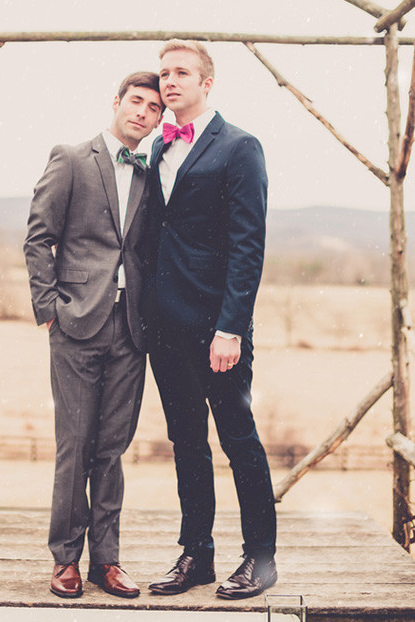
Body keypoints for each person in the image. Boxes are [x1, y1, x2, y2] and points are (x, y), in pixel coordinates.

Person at [145, 39, 277, 600]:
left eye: (182, 72)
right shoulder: (156, 148)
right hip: (163, 325)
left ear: (207, 83)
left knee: (239, 440)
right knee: (186, 443)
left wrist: (230, 328)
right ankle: (196, 555)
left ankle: (261, 559)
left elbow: (249, 246)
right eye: (164, 73)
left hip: (217, 328)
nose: (169, 81)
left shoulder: (240, 147)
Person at [24, 71, 163, 600]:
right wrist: (49, 309)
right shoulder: (73, 158)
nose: (143, 113)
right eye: (136, 102)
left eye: (154, 108)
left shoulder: (152, 175)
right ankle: (65, 560)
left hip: (131, 329)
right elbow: (38, 237)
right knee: (75, 446)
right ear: (117, 102)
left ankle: (108, 560)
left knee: (112, 448)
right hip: (76, 322)